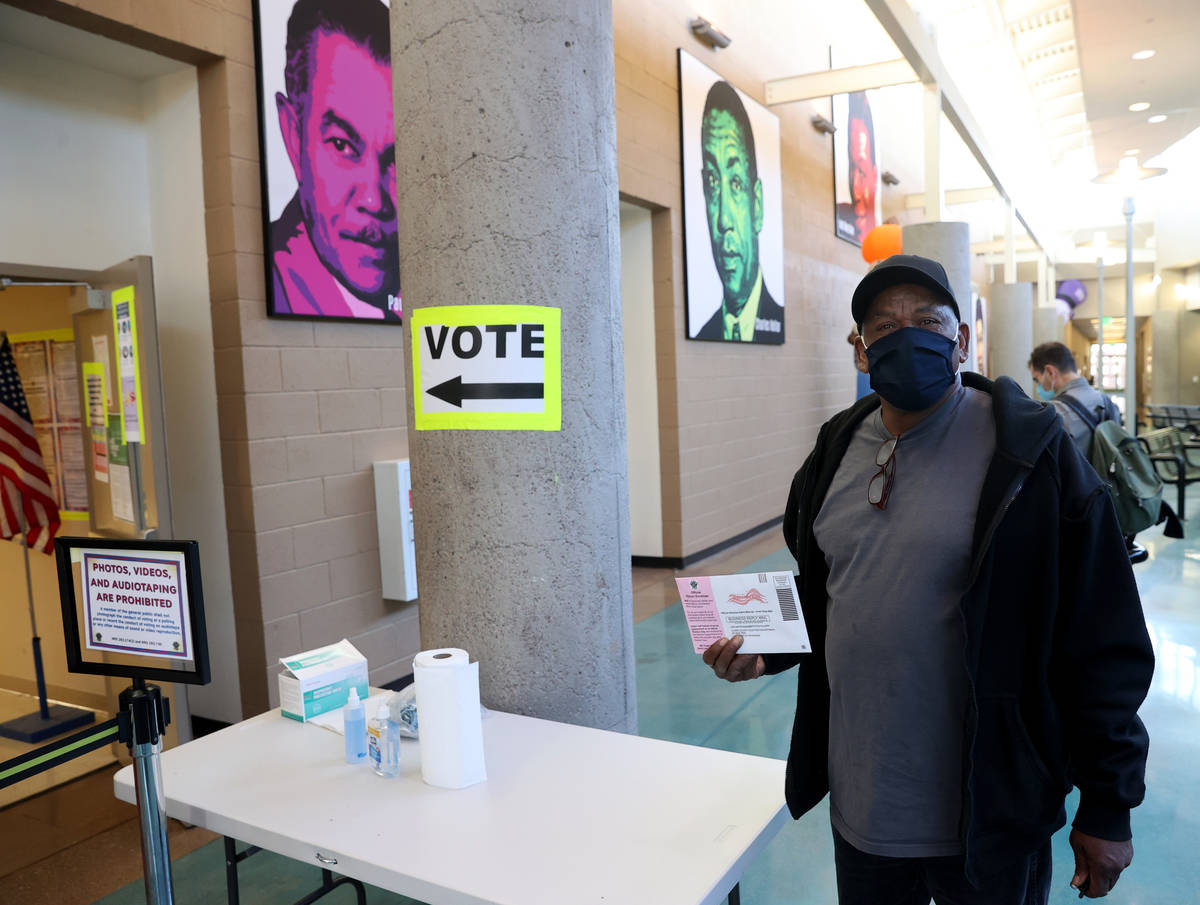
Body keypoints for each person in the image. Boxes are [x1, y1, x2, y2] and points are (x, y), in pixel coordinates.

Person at [704, 254, 1152, 903]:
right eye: (884, 326)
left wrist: (1109, 803)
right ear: (860, 351)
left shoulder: (1030, 453)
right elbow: (833, 589)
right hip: (865, 805)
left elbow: (1103, 631)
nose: (905, 334)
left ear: (961, 338)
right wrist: (765, 644)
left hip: (990, 813)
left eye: (927, 320)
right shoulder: (835, 446)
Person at [270, 0, 400, 320]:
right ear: (292, 135)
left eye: (397, 157)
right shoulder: (280, 286)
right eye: (342, 145)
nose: (373, 199)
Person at [693, 81, 785, 344]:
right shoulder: (706, 333)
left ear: (756, 204)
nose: (723, 220)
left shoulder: (774, 317)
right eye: (712, 182)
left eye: (735, 184)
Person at [1028, 342, 1120, 458]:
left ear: (1050, 372)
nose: (1039, 386)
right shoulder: (1107, 402)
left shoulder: (1055, 413)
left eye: (1037, 379)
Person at [835, 91, 878, 244]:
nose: (855, 184)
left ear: (875, 174)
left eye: (861, 171)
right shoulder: (841, 214)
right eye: (852, 171)